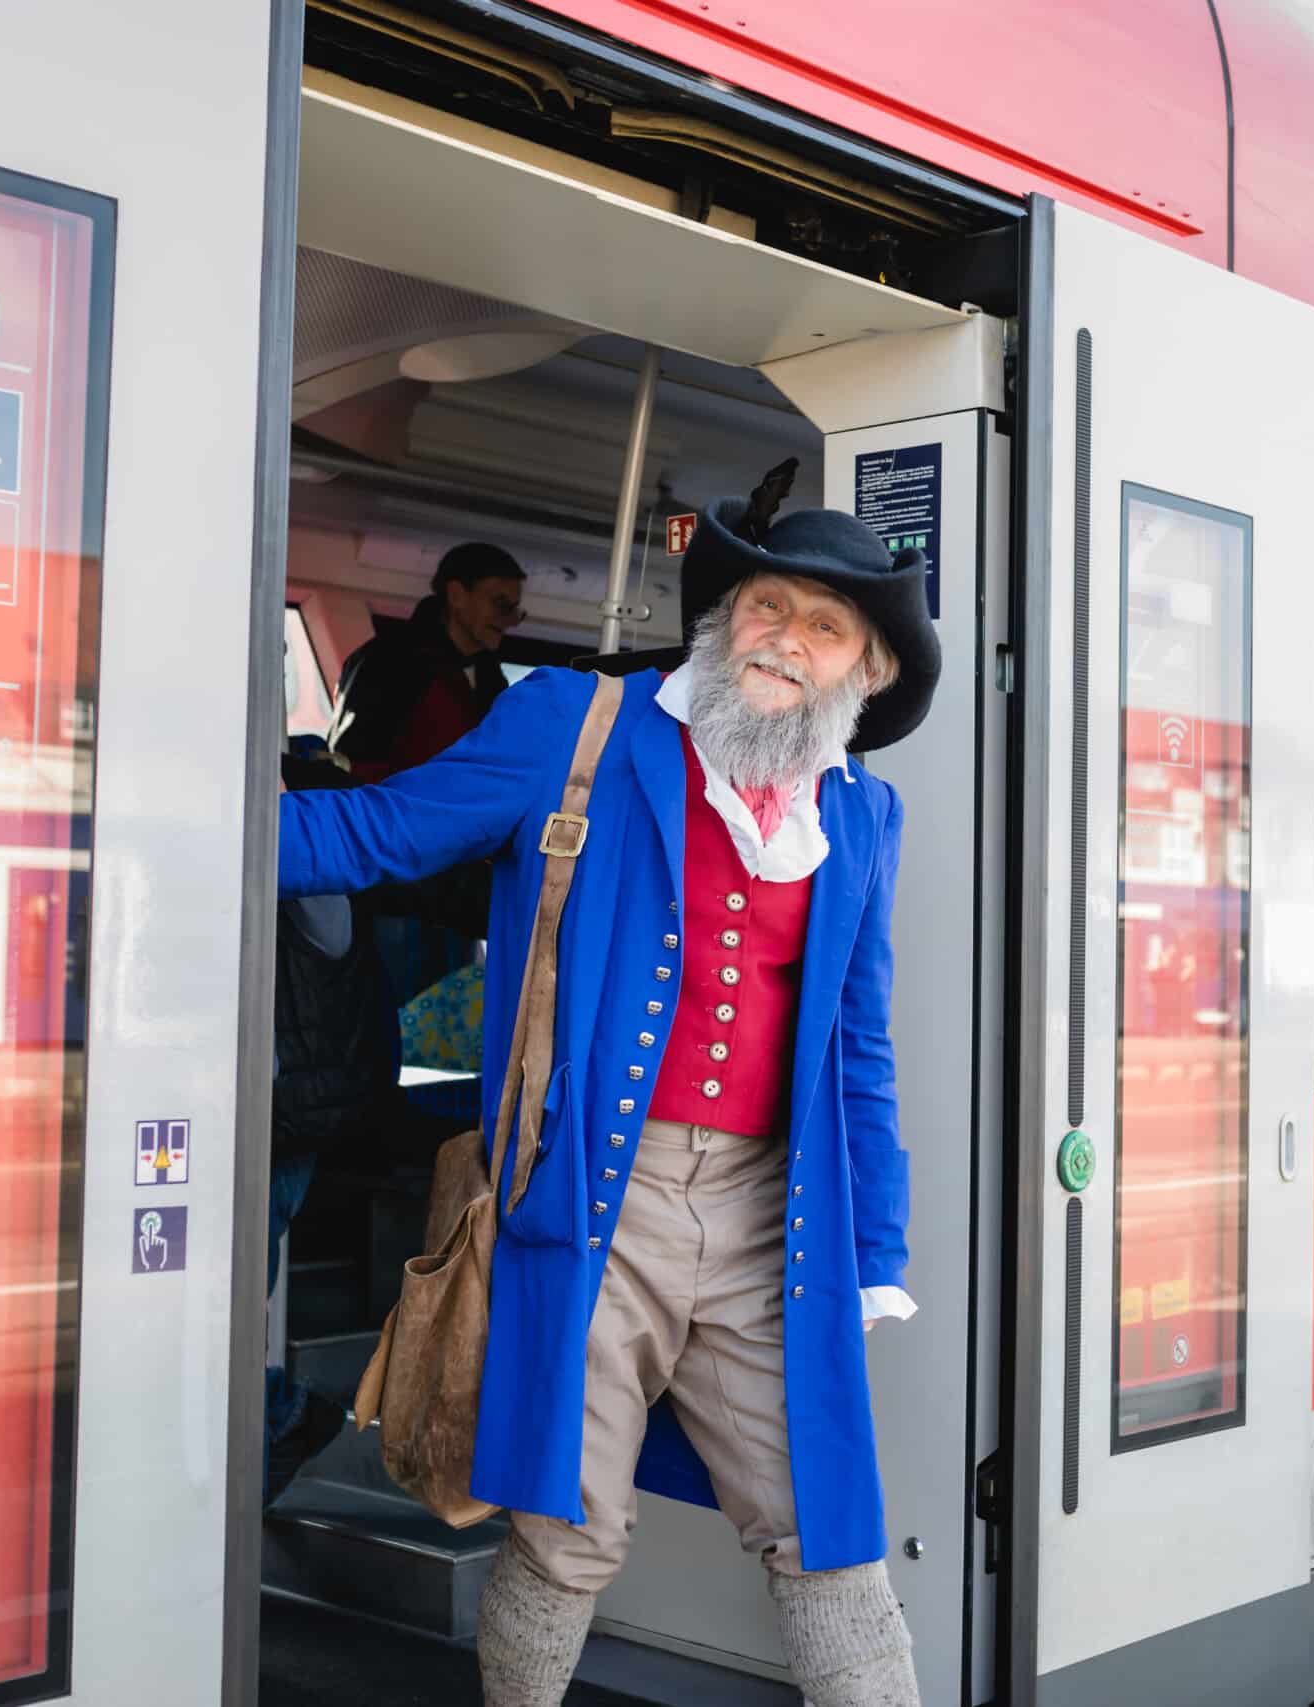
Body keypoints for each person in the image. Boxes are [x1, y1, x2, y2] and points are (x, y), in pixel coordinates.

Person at [278, 485, 940, 1707]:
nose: (787, 639)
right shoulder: (574, 728)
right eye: (766, 605)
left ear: (871, 668)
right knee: (565, 1524)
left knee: (827, 1522)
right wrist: (164, 822)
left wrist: (876, 1249)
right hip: (592, 1196)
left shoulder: (860, 815)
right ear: (723, 620)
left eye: (827, 628)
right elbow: (376, 831)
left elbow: (858, 1046)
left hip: (766, 1223)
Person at [263, 738, 416, 1505]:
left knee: (226, 1298)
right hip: (281, 1107)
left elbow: (325, 938)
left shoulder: (295, 839)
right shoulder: (306, 841)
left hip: (280, 1116)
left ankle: (278, 1418)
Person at [330, 541, 527, 781]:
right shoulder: (389, 659)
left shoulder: (492, 680)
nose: (512, 620)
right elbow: (348, 764)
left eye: (515, 609)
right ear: (456, 596)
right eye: (500, 604)